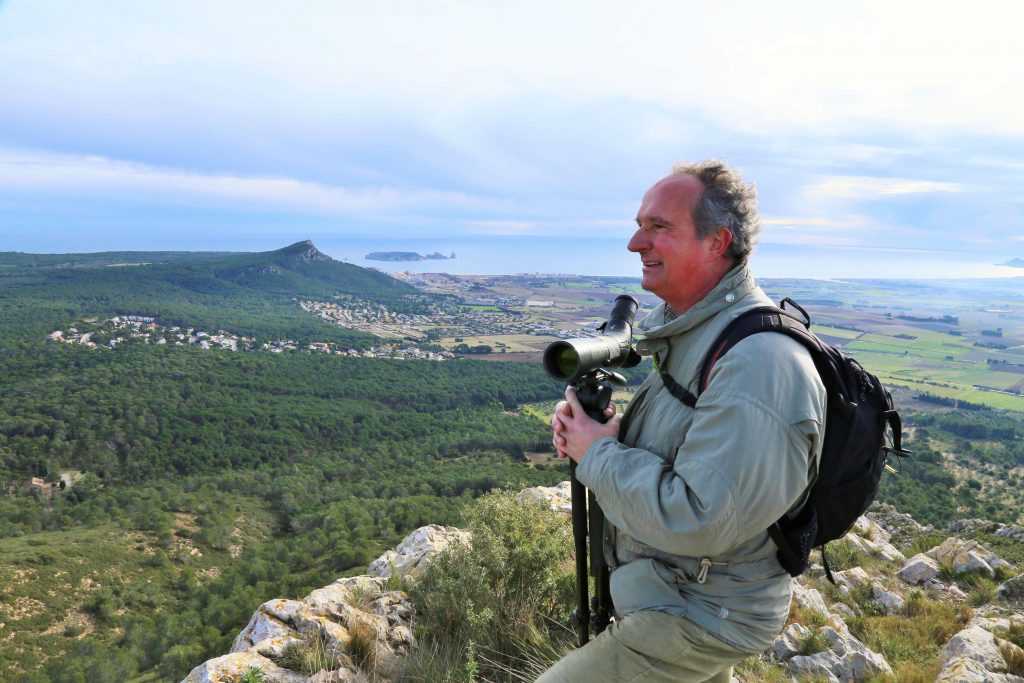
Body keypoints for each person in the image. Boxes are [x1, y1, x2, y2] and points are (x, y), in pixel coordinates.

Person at [542, 161, 826, 682]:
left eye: (658, 228)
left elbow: (703, 515)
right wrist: (608, 433)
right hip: (680, 588)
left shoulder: (757, 363)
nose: (634, 243)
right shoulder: (702, 334)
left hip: (702, 609)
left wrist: (599, 455)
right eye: (639, 225)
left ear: (716, 242)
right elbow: (697, 444)